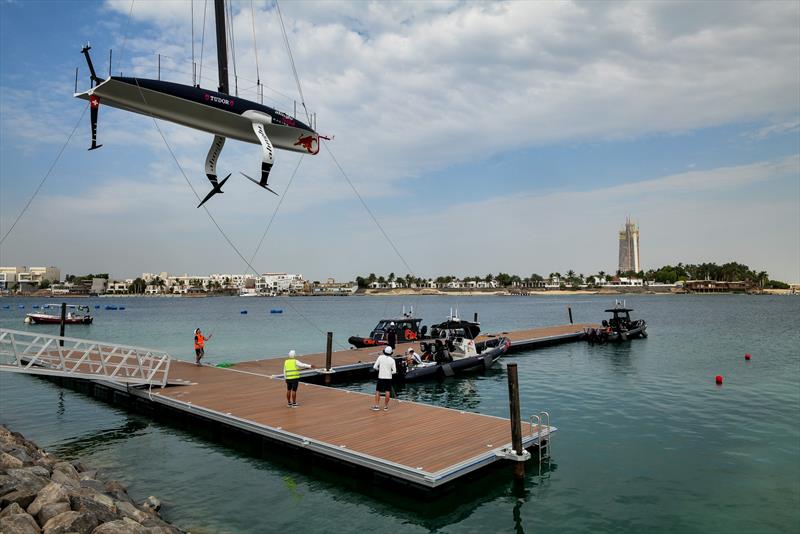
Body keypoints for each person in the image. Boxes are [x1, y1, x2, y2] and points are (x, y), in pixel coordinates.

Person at [372, 346, 396, 411]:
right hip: (388, 378)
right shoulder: (392, 360)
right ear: (391, 353)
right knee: (387, 391)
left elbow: (375, 367)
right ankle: (386, 407)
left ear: (384, 351)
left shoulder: (380, 357)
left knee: (378, 391)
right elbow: (394, 371)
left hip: (381, 377)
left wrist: (379, 369)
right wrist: (389, 372)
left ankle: (377, 406)